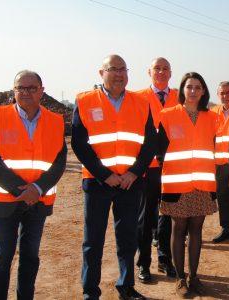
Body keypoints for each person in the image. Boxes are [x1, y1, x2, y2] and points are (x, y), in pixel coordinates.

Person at [72, 54, 156, 300]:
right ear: (102, 73)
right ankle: (90, 291)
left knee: (128, 238)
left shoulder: (141, 101)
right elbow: (79, 143)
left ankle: (126, 286)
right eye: (113, 69)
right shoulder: (85, 101)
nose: (119, 74)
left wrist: (134, 172)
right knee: (93, 241)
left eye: (123, 69)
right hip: (98, 183)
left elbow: (149, 143)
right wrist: (104, 174)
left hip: (130, 183)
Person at [0, 70, 67, 299]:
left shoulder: (55, 121)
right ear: (14, 90)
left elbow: (60, 161)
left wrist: (37, 189)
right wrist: (22, 190)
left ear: (42, 91)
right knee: (2, 258)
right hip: (4, 200)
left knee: (30, 257)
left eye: (31, 88)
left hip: (37, 202)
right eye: (21, 87)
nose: (26, 92)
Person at [157, 72, 218, 297]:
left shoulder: (213, 118)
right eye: (189, 87)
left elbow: (216, 148)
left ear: (203, 92)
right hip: (177, 185)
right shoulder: (167, 115)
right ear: (182, 89)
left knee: (196, 230)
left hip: (202, 184)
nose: (193, 91)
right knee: (178, 228)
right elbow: (160, 150)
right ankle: (180, 278)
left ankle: (194, 276)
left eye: (198, 87)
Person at [132, 57, 179, 283]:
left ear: (170, 73)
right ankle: (144, 264)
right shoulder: (137, 98)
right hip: (146, 167)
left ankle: (165, 259)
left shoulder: (179, 96)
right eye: (157, 68)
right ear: (148, 71)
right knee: (145, 218)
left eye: (165, 69)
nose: (161, 72)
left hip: (172, 166)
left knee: (168, 215)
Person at [210, 81, 229, 243]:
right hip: (219, 164)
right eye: (222, 93)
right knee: (223, 197)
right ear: (218, 95)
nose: (226, 96)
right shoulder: (213, 113)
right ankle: (226, 228)